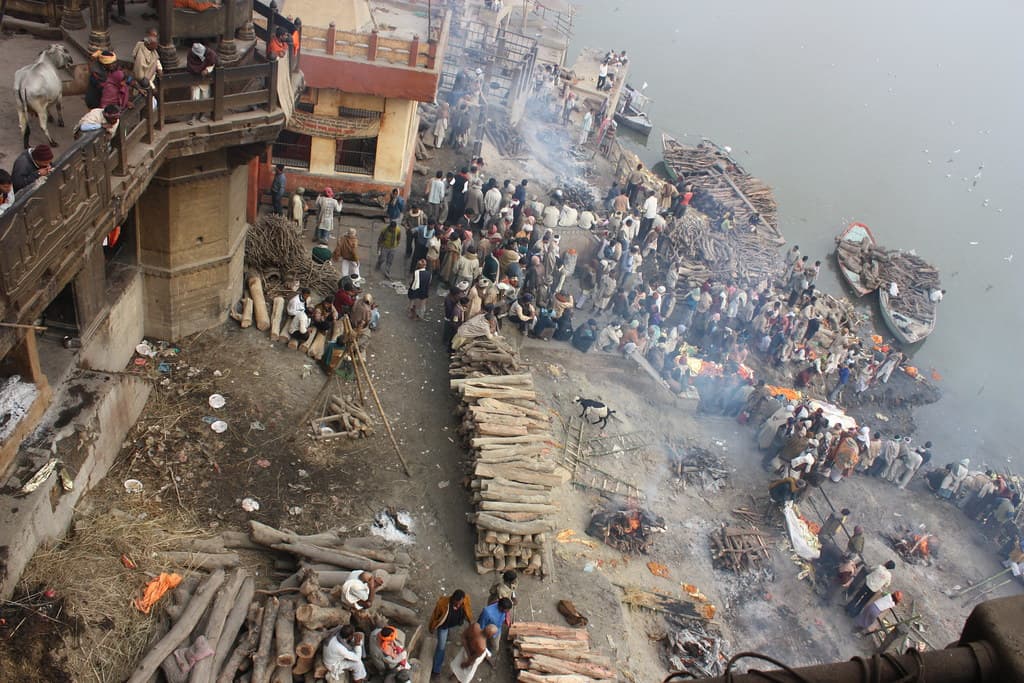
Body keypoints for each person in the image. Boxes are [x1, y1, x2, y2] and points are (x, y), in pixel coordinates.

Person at [429, 589, 473, 676]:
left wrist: (470, 621)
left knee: (447, 633)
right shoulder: (442, 604)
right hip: (443, 627)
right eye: (457, 603)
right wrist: (432, 627)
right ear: (453, 599)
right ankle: (436, 669)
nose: (458, 605)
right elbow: (435, 616)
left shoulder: (465, 599)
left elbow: (468, 610)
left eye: (460, 603)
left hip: (453, 623)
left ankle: (447, 636)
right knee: (441, 647)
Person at [186, 43, 217, 125]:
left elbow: (213, 63)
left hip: (205, 79)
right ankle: (193, 116)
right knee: (195, 98)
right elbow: (190, 66)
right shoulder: (191, 54)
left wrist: (207, 70)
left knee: (205, 96)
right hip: (194, 79)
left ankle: (202, 115)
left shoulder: (209, 53)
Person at [476, 598, 512, 665]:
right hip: (487, 632)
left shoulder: (504, 611)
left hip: (497, 630)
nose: (507, 612)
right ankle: (483, 656)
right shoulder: (487, 612)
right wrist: (481, 638)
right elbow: (481, 625)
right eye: (506, 610)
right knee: (482, 646)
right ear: (501, 607)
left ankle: (489, 656)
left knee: (495, 647)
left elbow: (505, 616)